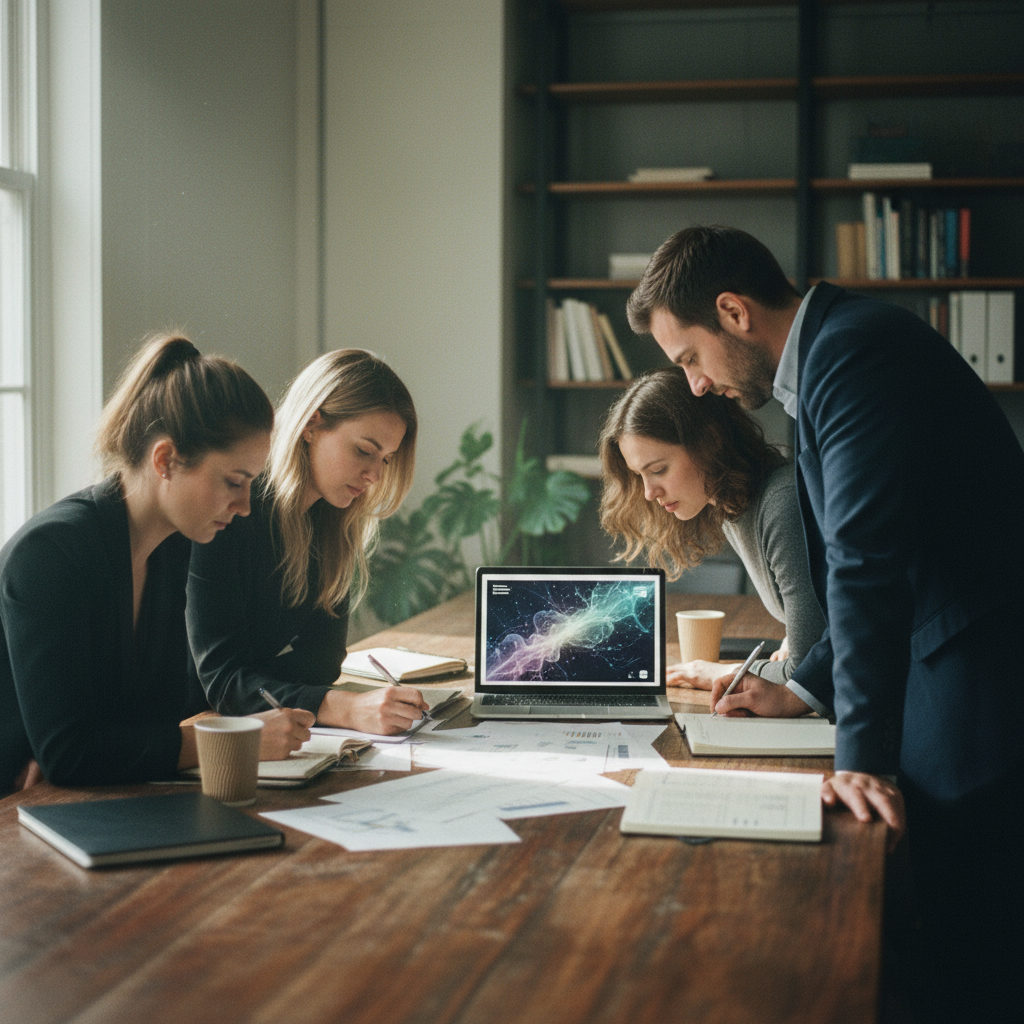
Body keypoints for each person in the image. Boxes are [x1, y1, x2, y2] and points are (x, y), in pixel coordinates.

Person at [626, 224, 1024, 1019]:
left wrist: (863, 759)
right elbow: (875, 557)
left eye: (689, 359)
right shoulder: (826, 359)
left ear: (734, 312)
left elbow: (867, 561)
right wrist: (803, 687)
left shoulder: (852, 353)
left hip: (978, 667)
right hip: (943, 654)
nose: (695, 386)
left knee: (972, 932)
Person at [0, 334, 314, 795]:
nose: (246, 505)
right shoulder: (52, 552)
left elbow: (152, 721)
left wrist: (117, 750)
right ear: (165, 459)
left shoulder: (173, 548)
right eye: (234, 481)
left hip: (84, 801)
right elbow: (71, 754)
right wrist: (226, 736)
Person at [187, 348, 429, 735]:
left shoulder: (332, 523)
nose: (374, 476)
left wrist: (262, 688)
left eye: (385, 459)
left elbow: (323, 660)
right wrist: (345, 708)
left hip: (244, 726)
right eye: (364, 450)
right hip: (190, 736)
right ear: (311, 424)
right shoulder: (230, 511)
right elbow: (221, 682)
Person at [598, 366, 825, 692]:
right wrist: (802, 632)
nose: (649, 492)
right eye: (639, 475)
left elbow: (805, 676)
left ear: (709, 442)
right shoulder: (733, 507)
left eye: (659, 469)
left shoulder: (781, 504)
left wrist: (717, 673)